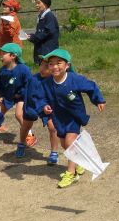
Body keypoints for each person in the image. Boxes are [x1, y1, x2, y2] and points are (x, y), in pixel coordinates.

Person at [35, 48, 106, 188]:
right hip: (58, 118)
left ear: (67, 65)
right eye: (51, 64)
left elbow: (91, 87)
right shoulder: (46, 83)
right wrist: (44, 106)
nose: (55, 66)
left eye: (59, 63)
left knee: (70, 143)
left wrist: (98, 100)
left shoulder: (74, 79)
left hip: (74, 116)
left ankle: (71, 173)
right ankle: (79, 163)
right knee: (65, 144)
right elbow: (40, 98)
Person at [0, 43, 34, 150]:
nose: (0, 56)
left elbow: (29, 85)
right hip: (8, 96)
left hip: (21, 96)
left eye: (3, 53)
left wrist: (21, 93)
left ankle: (30, 135)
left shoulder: (23, 69)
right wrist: (1, 95)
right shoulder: (2, 71)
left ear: (13, 56)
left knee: (19, 114)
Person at [16, 57, 60, 163]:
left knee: (53, 127)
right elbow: (31, 95)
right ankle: (21, 143)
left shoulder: (56, 80)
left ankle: (54, 152)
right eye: (41, 65)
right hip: (32, 105)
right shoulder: (33, 79)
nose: (42, 69)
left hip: (48, 107)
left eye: (46, 66)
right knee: (26, 125)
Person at [27, 0, 59, 66]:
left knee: (47, 65)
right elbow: (40, 32)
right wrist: (32, 36)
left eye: (38, 3)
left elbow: (47, 32)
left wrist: (34, 37)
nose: (36, 5)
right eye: (36, 3)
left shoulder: (49, 16)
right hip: (42, 46)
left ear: (45, 3)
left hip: (48, 47)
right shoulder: (41, 16)